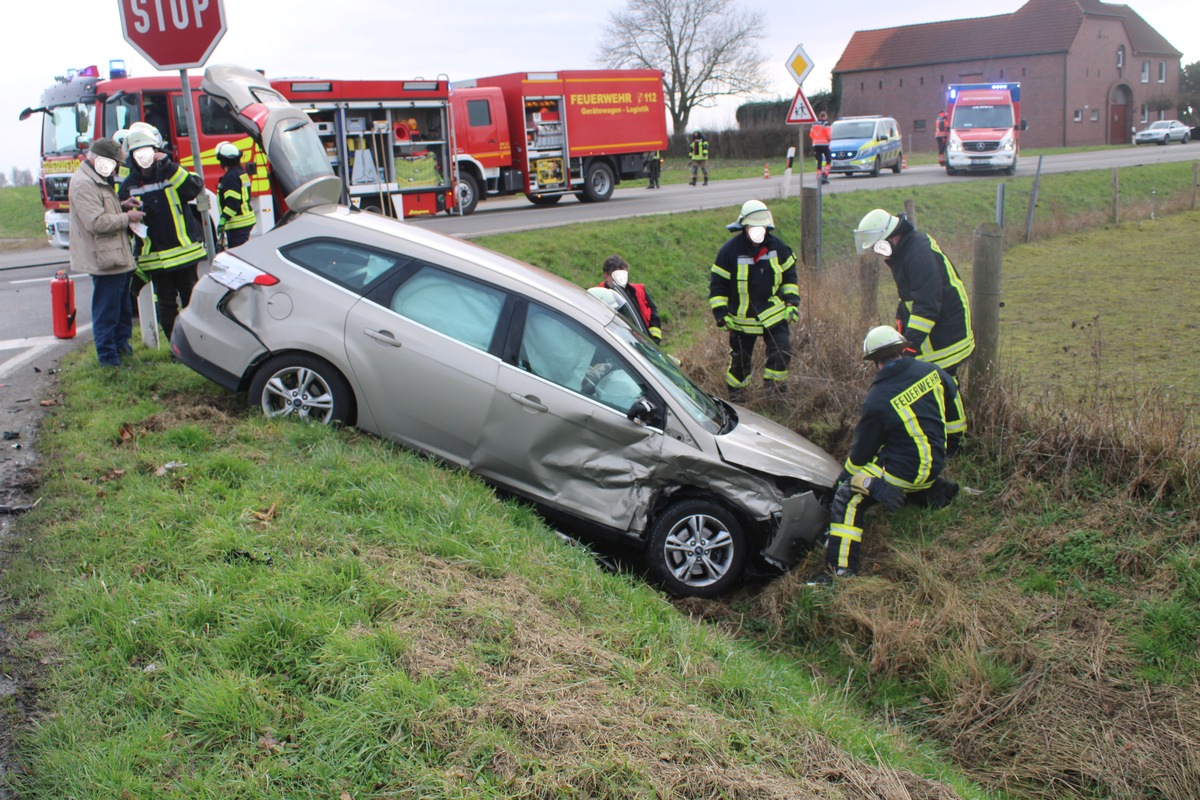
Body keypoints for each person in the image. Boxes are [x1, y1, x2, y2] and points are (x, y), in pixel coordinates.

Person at [811, 326, 964, 583]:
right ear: (903, 349)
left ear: (874, 362)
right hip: (935, 463)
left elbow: (861, 455)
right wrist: (954, 445)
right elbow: (956, 409)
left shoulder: (878, 398)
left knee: (849, 497)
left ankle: (840, 570)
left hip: (908, 473)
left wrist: (842, 480)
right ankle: (932, 491)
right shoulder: (933, 372)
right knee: (886, 461)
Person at [853, 209, 975, 378]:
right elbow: (909, 298)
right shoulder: (904, 251)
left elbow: (927, 305)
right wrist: (901, 323)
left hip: (946, 340)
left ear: (891, 237)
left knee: (943, 390)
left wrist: (909, 346)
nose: (878, 253)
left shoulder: (917, 254)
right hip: (937, 336)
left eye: (878, 247)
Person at [118, 128, 206, 342]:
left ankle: (199, 343)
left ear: (157, 151)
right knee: (166, 305)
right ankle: (177, 345)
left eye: (147, 153)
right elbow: (121, 216)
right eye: (139, 155)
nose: (144, 159)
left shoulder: (172, 172)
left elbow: (195, 187)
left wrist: (168, 164)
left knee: (191, 301)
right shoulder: (128, 186)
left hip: (184, 254)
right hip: (155, 259)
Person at [708, 200, 800, 400]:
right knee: (740, 362)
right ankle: (738, 398)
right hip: (741, 320)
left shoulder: (778, 247)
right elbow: (717, 286)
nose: (759, 232)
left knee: (782, 350)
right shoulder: (728, 252)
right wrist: (721, 314)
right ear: (744, 227)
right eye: (754, 228)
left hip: (774, 316)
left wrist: (792, 303)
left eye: (763, 228)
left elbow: (789, 277)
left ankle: (775, 395)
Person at [67, 138, 146, 367]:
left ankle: (122, 352)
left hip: (114, 256)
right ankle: (109, 361)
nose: (114, 168)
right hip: (104, 259)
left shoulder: (96, 179)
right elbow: (96, 222)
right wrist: (127, 217)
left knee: (121, 310)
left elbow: (101, 211)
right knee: (107, 312)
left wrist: (122, 205)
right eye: (113, 163)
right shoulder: (84, 184)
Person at [597, 255, 662, 343]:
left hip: (643, 344)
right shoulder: (598, 295)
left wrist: (654, 341)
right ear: (606, 275)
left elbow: (654, 317)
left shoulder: (639, 291)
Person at [215, 141, 257, 249]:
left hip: (238, 224)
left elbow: (233, 203)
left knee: (239, 255)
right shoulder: (240, 172)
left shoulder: (231, 176)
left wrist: (223, 219)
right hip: (245, 220)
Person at [810, 111, 832, 185]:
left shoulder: (814, 125)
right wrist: (829, 140)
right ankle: (825, 175)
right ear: (825, 116)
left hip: (816, 145)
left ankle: (819, 176)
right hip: (824, 145)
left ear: (819, 116)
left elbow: (811, 135)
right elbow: (828, 135)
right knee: (828, 160)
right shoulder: (826, 124)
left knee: (819, 161)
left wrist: (816, 140)